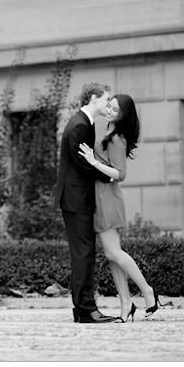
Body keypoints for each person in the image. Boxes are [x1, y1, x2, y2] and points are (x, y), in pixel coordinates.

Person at [77, 93, 164, 321]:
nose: (110, 110)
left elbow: (120, 174)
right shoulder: (108, 133)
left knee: (113, 252)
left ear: (124, 115)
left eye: (116, 109)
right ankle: (126, 304)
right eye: (110, 106)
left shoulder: (116, 138)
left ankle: (148, 291)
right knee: (112, 256)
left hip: (108, 198)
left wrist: (93, 161)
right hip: (101, 196)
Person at [55, 82, 116, 324]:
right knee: (83, 254)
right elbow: (82, 164)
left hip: (77, 197)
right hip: (75, 198)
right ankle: (86, 309)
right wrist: (108, 174)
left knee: (84, 253)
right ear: (93, 98)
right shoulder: (79, 124)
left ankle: (82, 310)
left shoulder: (84, 123)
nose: (108, 104)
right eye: (106, 99)